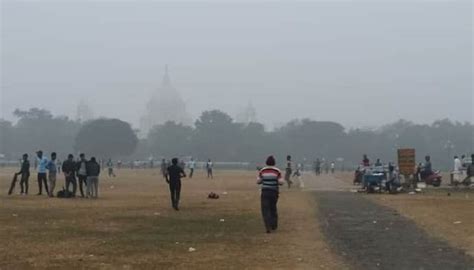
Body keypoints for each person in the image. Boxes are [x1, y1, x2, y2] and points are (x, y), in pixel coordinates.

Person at [257, 156, 284, 233]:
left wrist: (264, 179)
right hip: (274, 192)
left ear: (266, 162)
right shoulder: (277, 171)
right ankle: (274, 225)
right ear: (274, 162)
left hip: (265, 192)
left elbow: (258, 181)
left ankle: (267, 226)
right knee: (273, 208)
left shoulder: (262, 170)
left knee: (265, 209)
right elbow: (281, 182)